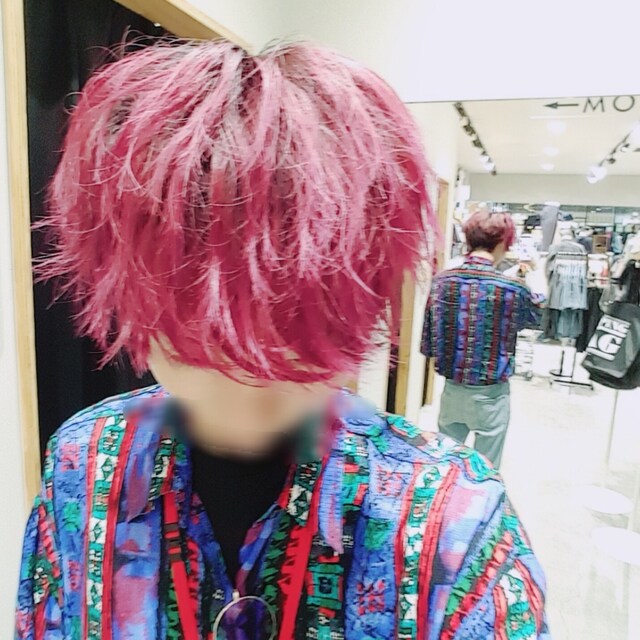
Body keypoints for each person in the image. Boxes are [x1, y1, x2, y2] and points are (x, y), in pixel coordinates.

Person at [16, 41, 549, 639]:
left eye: (299, 326)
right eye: (196, 330)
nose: (249, 382)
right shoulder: (83, 462)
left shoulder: (454, 520)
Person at [422, 210, 543, 468]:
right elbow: (536, 318)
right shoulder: (512, 289)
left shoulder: (441, 282)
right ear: (502, 243)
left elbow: (428, 342)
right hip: (491, 394)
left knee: (445, 464)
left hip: (452, 389)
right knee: (485, 470)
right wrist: (536, 272)